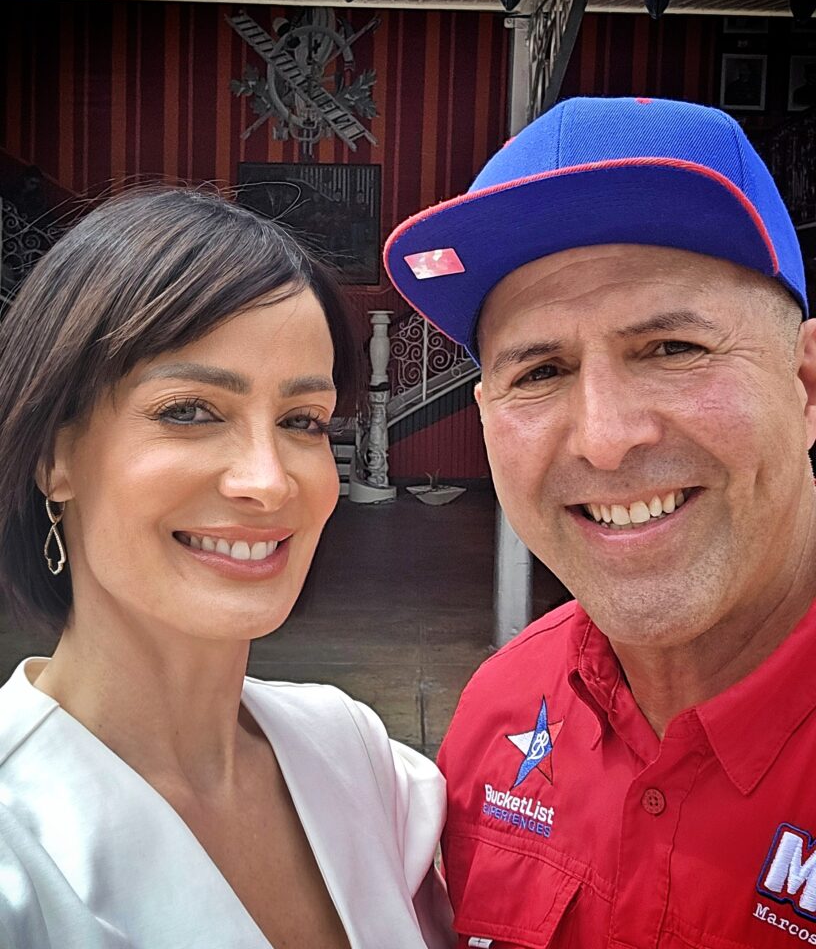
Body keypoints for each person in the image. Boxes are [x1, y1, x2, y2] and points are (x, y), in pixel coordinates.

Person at [384, 96, 816, 946]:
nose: (608, 440)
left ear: (806, 385)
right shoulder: (498, 714)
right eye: (540, 371)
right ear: (484, 417)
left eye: (672, 349)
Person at [0, 188, 454, 949]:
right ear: (56, 455)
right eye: (190, 411)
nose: (269, 481)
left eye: (301, 421)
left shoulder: (357, 754)